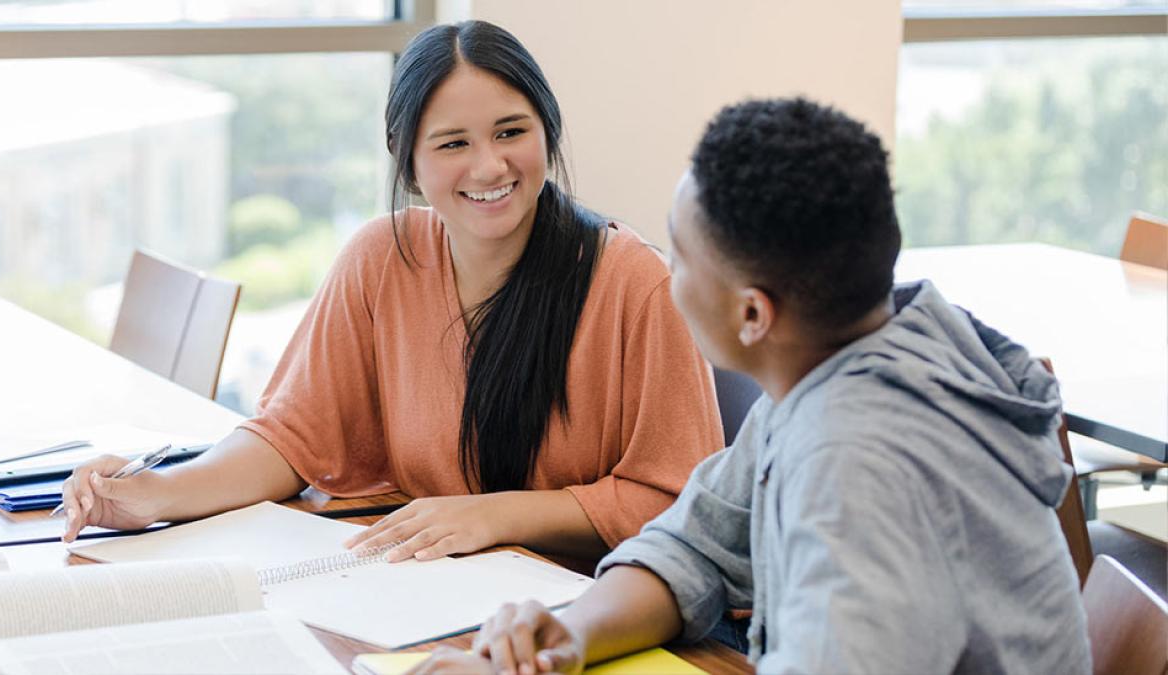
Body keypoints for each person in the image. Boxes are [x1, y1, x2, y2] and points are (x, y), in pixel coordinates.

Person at [436, 98, 1090, 674]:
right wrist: (570, 634)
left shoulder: (856, 464)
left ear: (753, 314)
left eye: (681, 257)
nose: (668, 276)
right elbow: (698, 545)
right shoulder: (842, 365)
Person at [59, 21, 723, 567]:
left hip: (579, 610)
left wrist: (493, 514)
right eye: (453, 143)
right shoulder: (381, 258)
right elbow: (293, 436)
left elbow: (678, 501)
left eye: (511, 132)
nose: (490, 166)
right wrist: (159, 494)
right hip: (421, 591)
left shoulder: (636, 283)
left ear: (547, 133)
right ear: (408, 163)